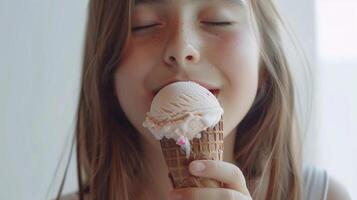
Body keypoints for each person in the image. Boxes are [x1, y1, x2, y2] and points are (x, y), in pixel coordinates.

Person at [55, 0, 351, 199]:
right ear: (108, 72)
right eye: (142, 25)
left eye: (217, 21)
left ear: (263, 63)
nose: (182, 47)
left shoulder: (323, 194)